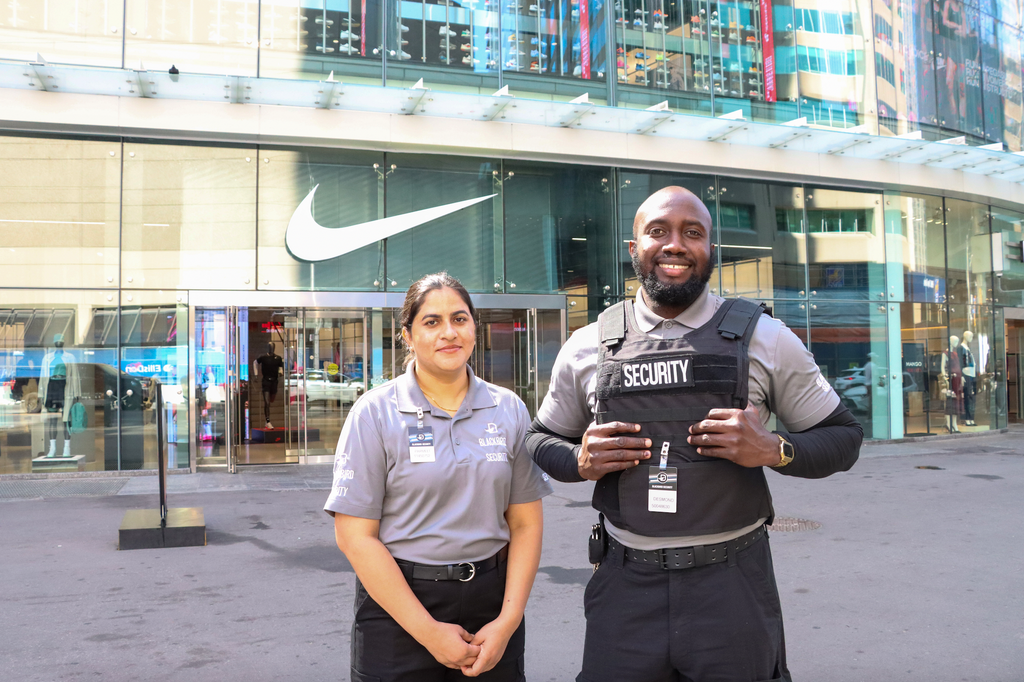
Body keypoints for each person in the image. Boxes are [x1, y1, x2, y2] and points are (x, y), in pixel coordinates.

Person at [526, 186, 863, 682]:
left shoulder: (764, 338)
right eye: (658, 231)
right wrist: (580, 461)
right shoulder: (589, 345)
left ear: (710, 249)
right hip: (624, 587)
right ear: (634, 248)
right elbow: (539, 440)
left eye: (693, 233)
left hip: (731, 589)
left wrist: (773, 448)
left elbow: (844, 438)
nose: (675, 244)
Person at [325, 272, 552, 682]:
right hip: (400, 606)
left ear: (474, 329)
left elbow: (525, 523)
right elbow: (354, 536)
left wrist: (508, 621)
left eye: (460, 319)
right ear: (408, 336)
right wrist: (429, 633)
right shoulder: (374, 413)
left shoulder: (509, 409)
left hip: (492, 604)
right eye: (432, 322)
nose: (449, 332)